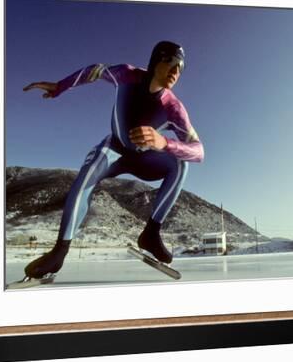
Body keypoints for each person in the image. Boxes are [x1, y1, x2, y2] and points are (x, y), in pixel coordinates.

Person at [22, 41, 204, 279]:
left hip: (144, 158)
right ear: (156, 60)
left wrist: (164, 143)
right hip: (114, 151)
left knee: (181, 163)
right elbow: (94, 71)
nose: (175, 72)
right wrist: (60, 86)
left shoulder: (173, 108)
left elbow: (199, 151)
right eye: (170, 62)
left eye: (181, 68)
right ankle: (60, 251)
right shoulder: (126, 74)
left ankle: (151, 232)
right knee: (86, 176)